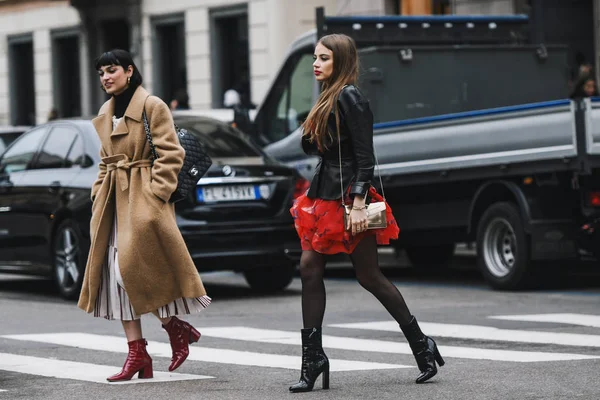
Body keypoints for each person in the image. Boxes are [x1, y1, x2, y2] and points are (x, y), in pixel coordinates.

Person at [289, 34, 445, 393]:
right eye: (315, 57)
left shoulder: (349, 96)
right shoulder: (328, 95)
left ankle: (422, 345)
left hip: (346, 198)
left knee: (369, 276)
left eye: (324, 58)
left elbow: (365, 157)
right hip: (324, 195)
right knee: (309, 268)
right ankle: (313, 359)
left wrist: (358, 202)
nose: (316, 63)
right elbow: (323, 148)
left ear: (340, 61)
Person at [77, 49, 211, 382]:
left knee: (132, 270)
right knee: (115, 277)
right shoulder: (105, 111)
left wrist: (156, 195)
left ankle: (175, 328)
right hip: (112, 202)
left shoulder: (152, 105)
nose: (106, 77)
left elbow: (170, 153)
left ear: (129, 70)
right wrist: (98, 193)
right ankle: (138, 352)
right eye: (101, 73)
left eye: (112, 70)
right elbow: (105, 160)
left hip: (141, 200)